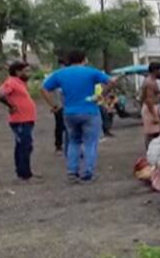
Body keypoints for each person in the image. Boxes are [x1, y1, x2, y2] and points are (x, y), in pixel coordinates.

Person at [41, 50, 116, 184]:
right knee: (90, 143)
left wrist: (54, 105)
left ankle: (72, 173)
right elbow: (111, 82)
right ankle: (88, 173)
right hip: (89, 111)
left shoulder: (60, 73)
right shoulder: (91, 72)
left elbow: (44, 88)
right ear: (84, 59)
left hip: (69, 112)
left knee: (73, 142)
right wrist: (101, 95)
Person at [0, 61, 39, 181]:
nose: (29, 73)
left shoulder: (19, 82)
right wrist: (11, 106)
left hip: (26, 119)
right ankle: (25, 174)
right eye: (26, 71)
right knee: (25, 146)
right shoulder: (11, 82)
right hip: (20, 120)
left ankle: (23, 172)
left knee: (23, 145)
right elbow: (0, 94)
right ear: (17, 72)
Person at [141, 62, 160, 149]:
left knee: (157, 132)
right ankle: (152, 153)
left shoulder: (151, 81)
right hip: (151, 109)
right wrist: (154, 116)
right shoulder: (150, 82)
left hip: (153, 108)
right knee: (153, 134)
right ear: (156, 71)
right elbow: (148, 100)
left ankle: (153, 152)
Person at [53, 58, 67, 155]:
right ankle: (58, 146)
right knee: (60, 126)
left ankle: (71, 146)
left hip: (69, 104)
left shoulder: (70, 75)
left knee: (71, 127)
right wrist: (53, 104)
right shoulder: (56, 75)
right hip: (59, 105)